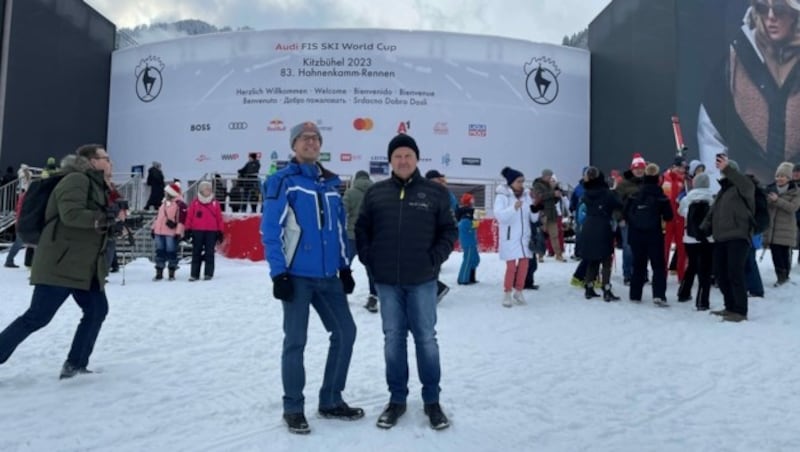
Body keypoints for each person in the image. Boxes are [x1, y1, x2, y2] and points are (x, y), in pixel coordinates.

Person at [262, 121, 361, 435]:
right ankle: (293, 407)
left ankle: (331, 399)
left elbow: (340, 230)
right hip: (296, 278)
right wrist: (279, 274)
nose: (311, 142)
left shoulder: (331, 184)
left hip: (328, 277)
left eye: (316, 138)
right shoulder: (283, 182)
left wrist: (344, 267)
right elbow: (270, 231)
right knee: (295, 341)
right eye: (304, 138)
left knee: (346, 332)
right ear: (294, 145)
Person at [355, 134, 457, 431]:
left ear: (416, 159)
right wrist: (368, 257)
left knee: (426, 339)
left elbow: (448, 231)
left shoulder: (434, 194)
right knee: (393, 340)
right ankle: (397, 399)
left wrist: (434, 258)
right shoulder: (376, 194)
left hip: (423, 280)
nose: (402, 161)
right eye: (397, 156)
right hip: (387, 282)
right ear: (390, 161)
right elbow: (362, 229)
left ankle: (432, 401)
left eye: (408, 156)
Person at [0, 145, 115, 379]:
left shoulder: (94, 183)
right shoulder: (76, 179)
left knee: (97, 310)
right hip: (61, 264)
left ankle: (75, 365)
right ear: (92, 161)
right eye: (106, 158)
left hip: (84, 266)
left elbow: (92, 222)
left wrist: (114, 223)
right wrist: (104, 218)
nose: (110, 162)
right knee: (37, 317)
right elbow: (71, 215)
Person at [698, 0, 800, 183]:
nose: (770, 17)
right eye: (762, 8)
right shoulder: (735, 61)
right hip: (750, 193)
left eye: (778, 9)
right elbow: (712, 131)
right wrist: (717, 193)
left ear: (794, 13)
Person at [704, 155, 755, 322]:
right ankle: (730, 306)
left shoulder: (744, 187)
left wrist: (728, 168)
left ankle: (740, 311)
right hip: (721, 238)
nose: (724, 173)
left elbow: (745, 185)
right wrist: (704, 227)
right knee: (720, 273)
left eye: (727, 171)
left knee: (735, 272)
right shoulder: (722, 191)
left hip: (738, 236)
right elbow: (713, 213)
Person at [625, 163, 674, 305]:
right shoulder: (661, 196)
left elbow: (626, 213)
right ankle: (658, 295)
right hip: (654, 235)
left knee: (638, 264)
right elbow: (669, 216)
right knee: (658, 266)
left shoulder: (635, 195)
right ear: (658, 178)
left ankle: (635, 295)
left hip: (636, 235)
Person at [494, 166, 537, 307]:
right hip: (510, 237)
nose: (521, 184)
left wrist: (535, 208)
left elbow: (533, 218)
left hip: (524, 237)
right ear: (511, 182)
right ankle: (507, 293)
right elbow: (500, 216)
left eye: (523, 181)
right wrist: (514, 208)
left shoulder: (526, 195)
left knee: (524, 266)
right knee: (511, 267)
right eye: (519, 181)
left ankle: (519, 291)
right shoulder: (502, 196)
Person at [579, 167, 623, 301]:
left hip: (588, 225)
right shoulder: (607, 193)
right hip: (603, 225)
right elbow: (618, 205)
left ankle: (589, 286)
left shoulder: (586, 193)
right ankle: (606, 288)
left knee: (592, 258)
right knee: (606, 259)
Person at [677, 173, 716, 310]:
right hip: (708, 239)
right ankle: (702, 301)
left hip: (690, 238)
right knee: (705, 271)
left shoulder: (687, 199)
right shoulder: (713, 198)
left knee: (692, 265)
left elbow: (680, 212)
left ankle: (683, 293)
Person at [342, 170, 378, 312]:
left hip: (352, 235)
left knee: (345, 266)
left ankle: (343, 294)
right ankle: (373, 297)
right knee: (371, 269)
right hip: (370, 236)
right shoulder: (376, 193)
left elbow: (342, 212)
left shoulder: (350, 193)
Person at [763, 161, 800, 285]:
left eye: (782, 176)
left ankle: (785, 276)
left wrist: (777, 200)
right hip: (772, 228)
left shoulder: (796, 191)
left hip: (786, 228)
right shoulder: (769, 189)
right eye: (777, 176)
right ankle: (780, 276)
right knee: (775, 254)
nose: (779, 178)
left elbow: (793, 207)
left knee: (784, 253)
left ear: (789, 178)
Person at [615, 153, 647, 285]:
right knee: (628, 248)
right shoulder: (623, 185)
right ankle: (628, 274)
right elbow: (616, 203)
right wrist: (620, 218)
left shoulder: (648, 182)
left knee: (643, 248)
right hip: (628, 221)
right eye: (637, 168)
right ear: (632, 169)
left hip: (645, 221)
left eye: (641, 168)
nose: (639, 171)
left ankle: (642, 273)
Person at [184, 180, 225, 281]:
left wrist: (220, 231)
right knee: (196, 252)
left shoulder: (215, 203)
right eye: (207, 189)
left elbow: (219, 218)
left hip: (212, 231)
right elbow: (189, 217)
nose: (209, 190)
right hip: (197, 230)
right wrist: (187, 229)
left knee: (209, 253)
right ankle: (194, 274)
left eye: (210, 189)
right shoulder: (195, 203)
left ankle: (208, 273)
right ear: (201, 190)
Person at [424, 169, 455, 302]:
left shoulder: (444, 192)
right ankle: (435, 289)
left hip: (438, 232)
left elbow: (453, 208)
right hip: (428, 232)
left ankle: (436, 290)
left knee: (431, 264)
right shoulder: (425, 191)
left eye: (438, 179)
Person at [150, 182, 187, 281]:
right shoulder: (164, 203)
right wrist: (153, 228)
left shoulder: (180, 204)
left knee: (171, 252)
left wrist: (179, 232)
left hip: (171, 232)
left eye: (167, 192)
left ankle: (171, 272)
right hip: (159, 231)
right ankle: (159, 272)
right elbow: (158, 217)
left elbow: (181, 220)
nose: (165, 193)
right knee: (160, 252)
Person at [661, 156, 688, 281]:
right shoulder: (663, 178)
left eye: (683, 167)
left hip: (680, 217)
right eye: (680, 167)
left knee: (682, 248)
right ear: (674, 166)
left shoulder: (686, 181)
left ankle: (681, 276)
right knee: (664, 248)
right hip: (666, 218)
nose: (682, 170)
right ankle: (662, 274)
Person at [532, 168, 566, 261]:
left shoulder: (550, 186)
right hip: (543, 213)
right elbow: (540, 196)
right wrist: (553, 193)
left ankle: (558, 255)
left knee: (554, 235)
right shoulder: (537, 185)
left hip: (552, 213)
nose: (550, 178)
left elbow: (552, 200)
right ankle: (540, 255)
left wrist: (557, 196)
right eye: (549, 176)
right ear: (544, 176)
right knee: (541, 236)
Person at [455, 192, 480, 285]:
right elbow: (465, 226)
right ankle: (463, 279)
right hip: (468, 241)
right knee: (468, 259)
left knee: (475, 259)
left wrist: (475, 223)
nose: (473, 202)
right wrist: (475, 223)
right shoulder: (465, 216)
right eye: (471, 200)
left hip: (471, 241)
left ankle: (471, 277)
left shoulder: (468, 214)